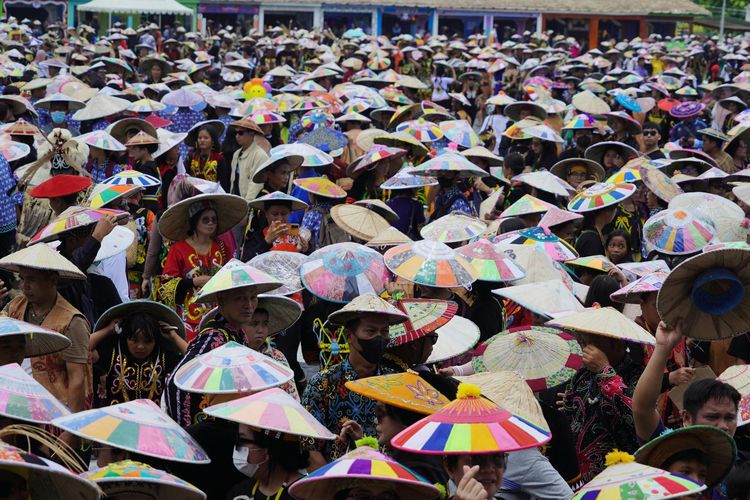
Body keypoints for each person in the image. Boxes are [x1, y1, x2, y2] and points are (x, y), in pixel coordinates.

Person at [164, 259, 282, 427]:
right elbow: (176, 383)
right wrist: (191, 431)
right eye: (240, 298)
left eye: (252, 298)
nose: (248, 305)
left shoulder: (238, 334)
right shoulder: (214, 338)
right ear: (221, 300)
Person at [301, 293, 408, 465]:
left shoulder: (396, 383)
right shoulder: (323, 383)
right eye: (371, 331)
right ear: (350, 336)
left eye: (385, 332)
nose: (379, 338)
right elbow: (310, 447)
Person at [0, 245, 91, 437]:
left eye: (32, 280)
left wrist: (70, 430)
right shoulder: (15, 306)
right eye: (23, 279)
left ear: (53, 281)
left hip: (55, 410)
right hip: (17, 405)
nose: (25, 286)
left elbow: (77, 379)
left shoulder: (72, 321)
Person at [633, 319, 740, 442]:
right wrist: (662, 348)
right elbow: (642, 409)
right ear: (687, 418)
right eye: (712, 417)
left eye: (730, 418)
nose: (723, 426)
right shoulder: (670, 449)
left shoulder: (739, 460)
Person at [157, 194, 245, 339]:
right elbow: (165, 287)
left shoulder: (222, 247)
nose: (210, 223)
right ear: (195, 222)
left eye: (214, 220)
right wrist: (194, 282)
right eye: (205, 220)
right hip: (188, 320)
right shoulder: (178, 249)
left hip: (219, 317)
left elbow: (233, 276)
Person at [89, 300, 187, 407]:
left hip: (152, 421)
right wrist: (108, 330)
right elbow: (82, 350)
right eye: (134, 340)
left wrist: (174, 336)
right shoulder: (112, 354)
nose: (140, 347)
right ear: (125, 337)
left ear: (156, 340)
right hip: (116, 421)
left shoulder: (163, 357)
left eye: (148, 341)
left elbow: (195, 361)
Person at [229, 118, 269, 201]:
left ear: (252, 133)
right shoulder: (236, 154)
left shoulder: (260, 155)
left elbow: (256, 185)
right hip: (237, 200)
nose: (237, 136)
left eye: (241, 133)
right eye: (236, 133)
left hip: (250, 202)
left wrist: (247, 204)